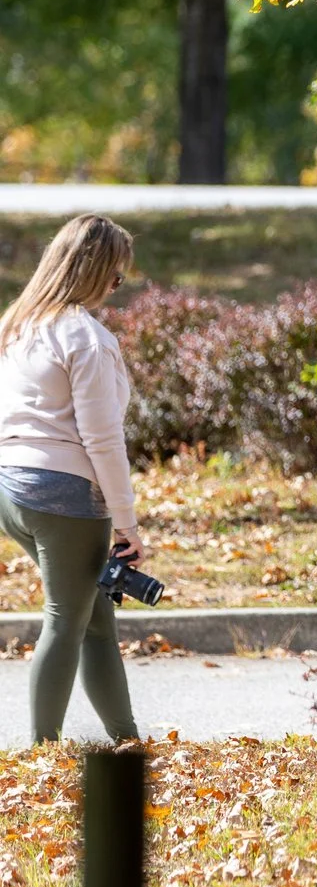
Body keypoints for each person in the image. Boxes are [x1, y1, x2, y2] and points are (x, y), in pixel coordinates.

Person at [0, 215, 142, 743]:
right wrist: (127, 523)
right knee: (65, 619)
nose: (115, 287)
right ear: (93, 271)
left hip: (12, 490)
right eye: (115, 275)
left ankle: (127, 740)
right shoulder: (86, 337)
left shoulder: (16, 325)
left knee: (95, 618)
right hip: (65, 496)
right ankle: (42, 751)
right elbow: (102, 440)